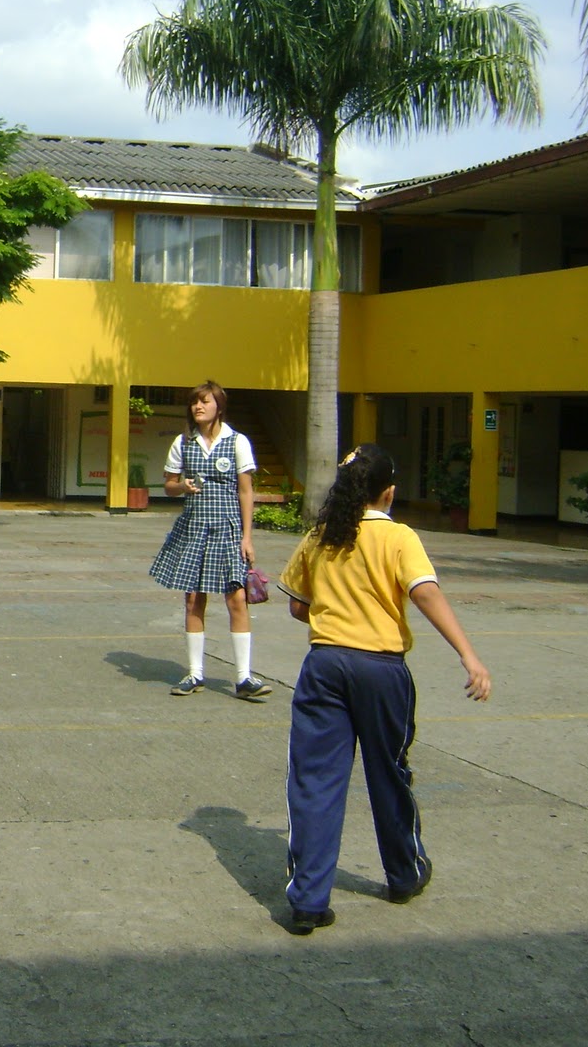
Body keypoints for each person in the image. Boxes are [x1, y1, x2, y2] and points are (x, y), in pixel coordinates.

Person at [277, 444, 492, 934]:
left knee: (314, 780)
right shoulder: (398, 537)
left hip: (325, 665)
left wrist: (338, 611)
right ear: (388, 491)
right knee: (388, 772)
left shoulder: (320, 536)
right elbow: (424, 591)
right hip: (380, 668)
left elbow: (296, 606)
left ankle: (308, 901)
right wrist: (468, 654)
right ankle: (403, 874)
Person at [148, 380, 271, 701]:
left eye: (204, 402)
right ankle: (194, 673)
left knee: (236, 599)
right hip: (194, 527)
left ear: (219, 406)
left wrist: (247, 537)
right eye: (194, 403)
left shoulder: (237, 441)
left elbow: (246, 491)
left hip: (228, 528)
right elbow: (168, 485)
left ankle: (244, 677)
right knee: (193, 599)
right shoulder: (183, 442)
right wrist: (182, 487)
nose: (198, 407)